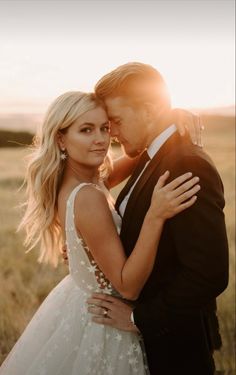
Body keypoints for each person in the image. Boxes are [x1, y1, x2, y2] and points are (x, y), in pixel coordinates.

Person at [0, 91, 201, 375]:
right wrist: (155, 215)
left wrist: (170, 120)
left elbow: (144, 154)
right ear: (61, 139)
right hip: (106, 319)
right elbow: (127, 285)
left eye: (105, 128)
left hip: (81, 304)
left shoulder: (83, 179)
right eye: (86, 130)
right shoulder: (87, 197)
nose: (101, 139)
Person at [86, 62, 229, 375]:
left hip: (174, 346)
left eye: (116, 121)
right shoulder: (151, 154)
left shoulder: (186, 166)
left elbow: (209, 273)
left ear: (149, 111)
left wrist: (139, 319)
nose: (112, 133)